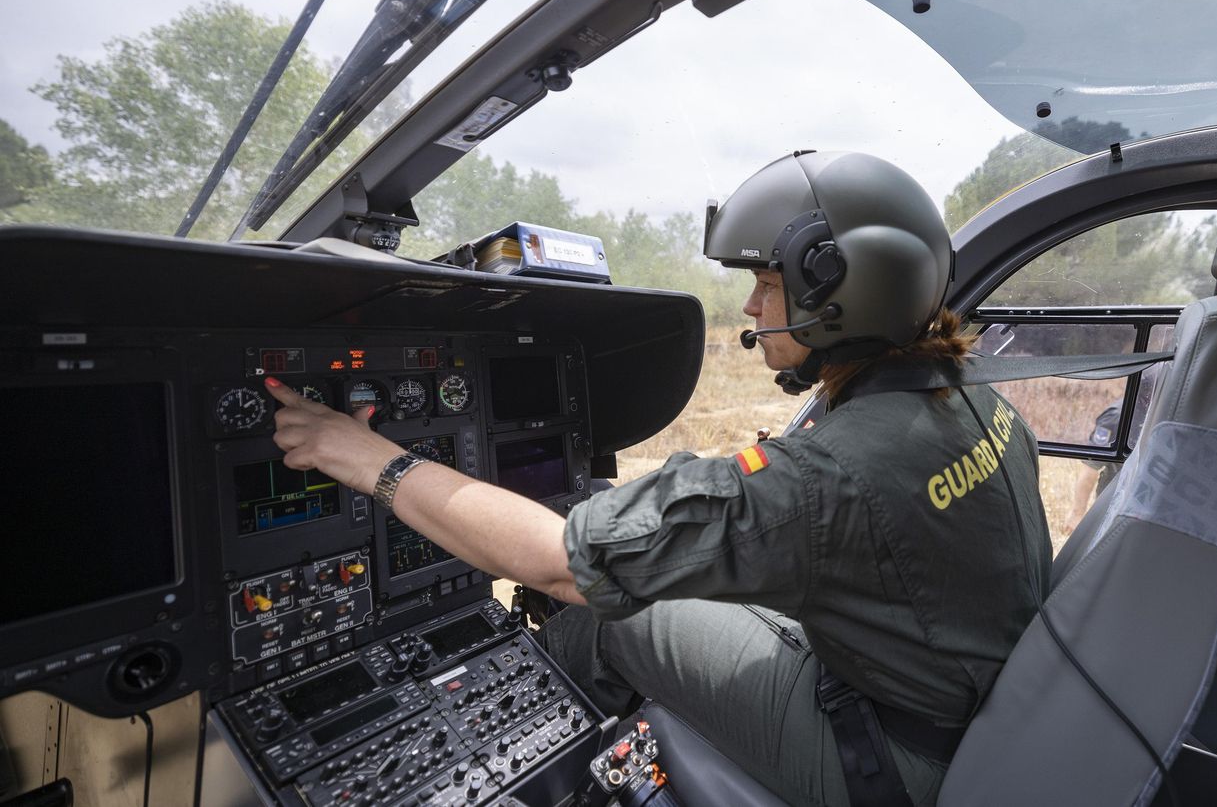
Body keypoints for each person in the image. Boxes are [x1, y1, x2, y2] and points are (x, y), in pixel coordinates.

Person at [265, 151, 1051, 807]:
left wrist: (368, 459)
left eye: (767, 282)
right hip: (955, 701)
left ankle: (513, 769)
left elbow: (556, 564)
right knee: (645, 548)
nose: (751, 305)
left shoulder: (828, 475)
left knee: (609, 616)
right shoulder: (970, 395)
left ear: (839, 291)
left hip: (887, 762)